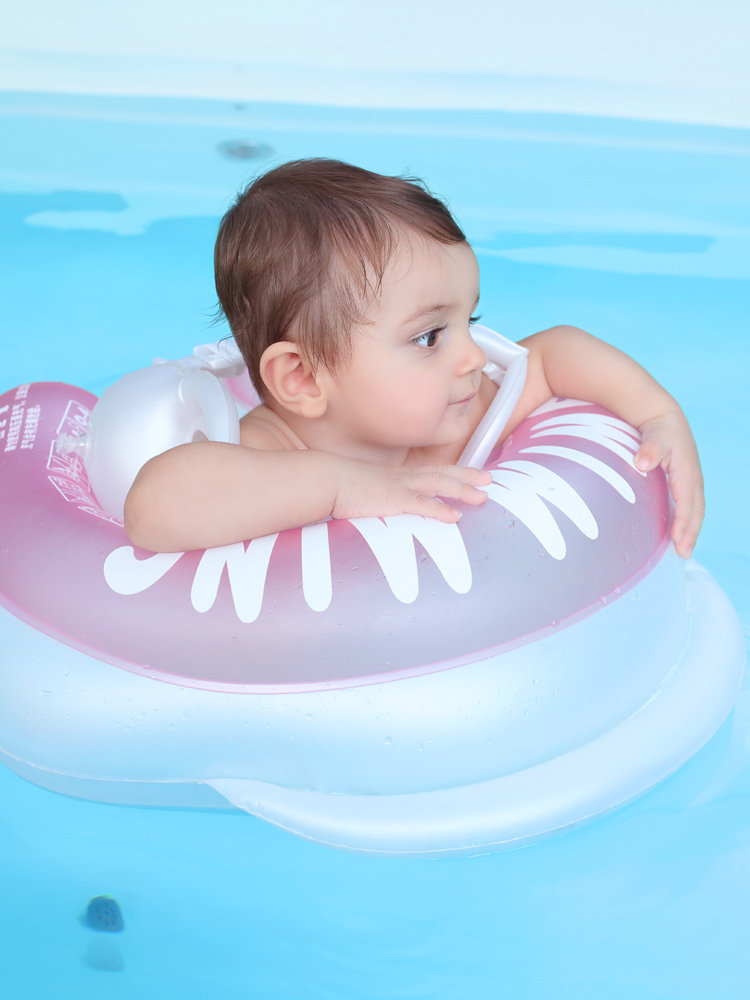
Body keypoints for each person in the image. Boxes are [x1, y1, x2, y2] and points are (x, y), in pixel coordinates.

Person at [124, 158, 704, 557]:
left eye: (469, 321)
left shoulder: (451, 423)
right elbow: (153, 507)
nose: (473, 357)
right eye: (429, 337)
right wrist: (340, 488)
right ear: (302, 378)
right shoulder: (266, 452)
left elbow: (554, 353)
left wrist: (658, 414)